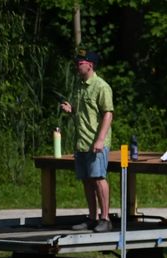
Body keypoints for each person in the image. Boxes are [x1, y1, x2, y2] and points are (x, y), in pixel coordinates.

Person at [59, 50, 114, 233]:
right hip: (82, 142)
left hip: (96, 143)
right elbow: (84, 112)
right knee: (87, 180)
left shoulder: (101, 86)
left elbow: (108, 113)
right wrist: (71, 110)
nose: (77, 65)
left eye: (80, 62)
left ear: (90, 64)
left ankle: (105, 218)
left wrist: (99, 140)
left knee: (98, 178)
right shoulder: (79, 86)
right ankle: (92, 217)